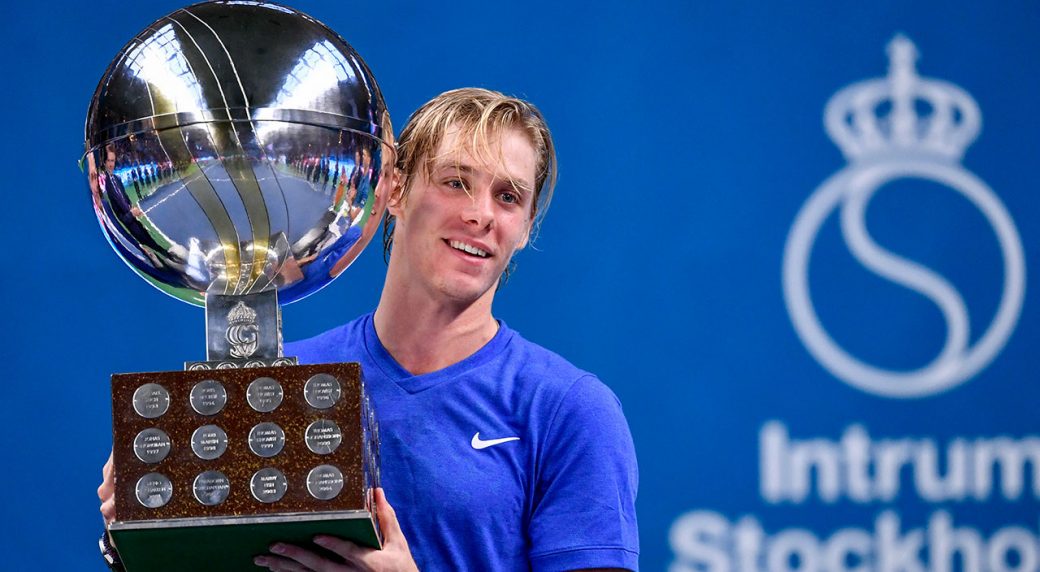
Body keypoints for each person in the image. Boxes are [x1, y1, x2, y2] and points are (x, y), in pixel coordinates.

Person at [98, 88, 639, 571]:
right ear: (393, 190)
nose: (481, 215)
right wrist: (143, 536)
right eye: (456, 182)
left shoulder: (569, 410)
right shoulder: (278, 386)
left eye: (508, 197)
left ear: (524, 228)